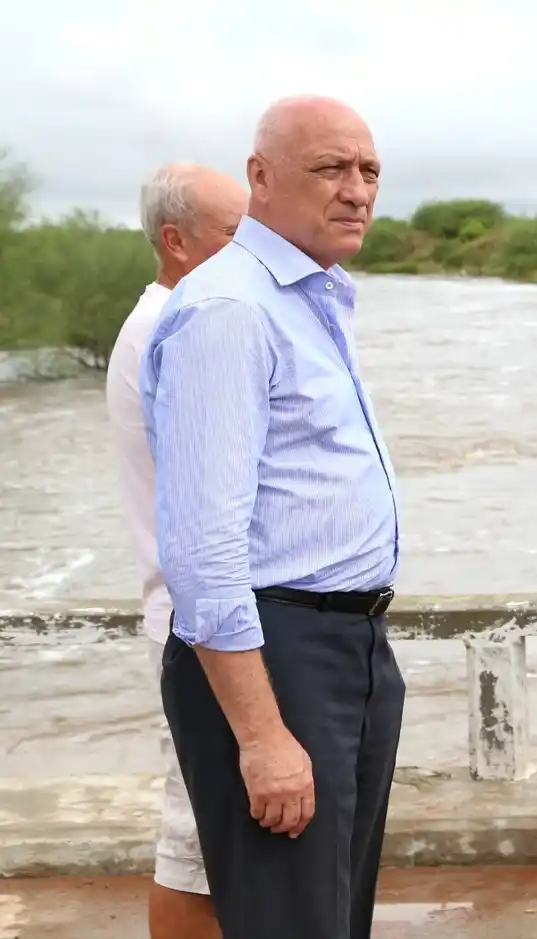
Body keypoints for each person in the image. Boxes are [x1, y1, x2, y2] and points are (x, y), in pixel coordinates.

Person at [140, 95, 404, 939]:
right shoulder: (230, 309)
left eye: (368, 170)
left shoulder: (312, 295)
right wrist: (260, 733)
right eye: (330, 167)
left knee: (330, 918)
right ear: (260, 178)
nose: (356, 190)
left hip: (348, 645)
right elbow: (204, 548)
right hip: (277, 654)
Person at [106, 161, 246, 939]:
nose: (252, 249)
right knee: (196, 850)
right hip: (201, 623)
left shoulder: (169, 319)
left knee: (209, 840)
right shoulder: (172, 328)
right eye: (236, 233)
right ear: (177, 241)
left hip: (196, 614)